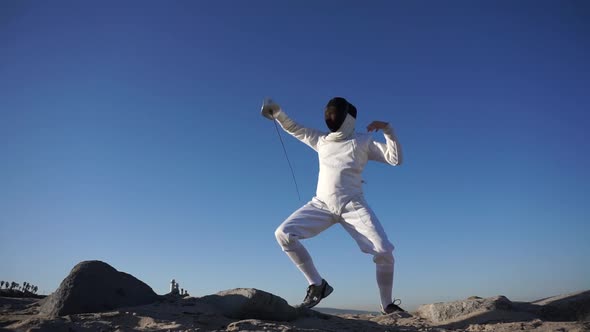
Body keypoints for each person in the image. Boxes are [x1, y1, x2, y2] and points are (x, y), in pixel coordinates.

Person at [261, 97, 404, 314]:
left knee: (384, 250)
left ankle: (387, 304)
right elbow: (294, 128)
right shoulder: (322, 140)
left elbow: (395, 159)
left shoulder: (362, 141)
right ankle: (317, 285)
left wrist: (388, 129)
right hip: (321, 205)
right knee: (283, 234)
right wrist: (278, 114)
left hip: (352, 204)